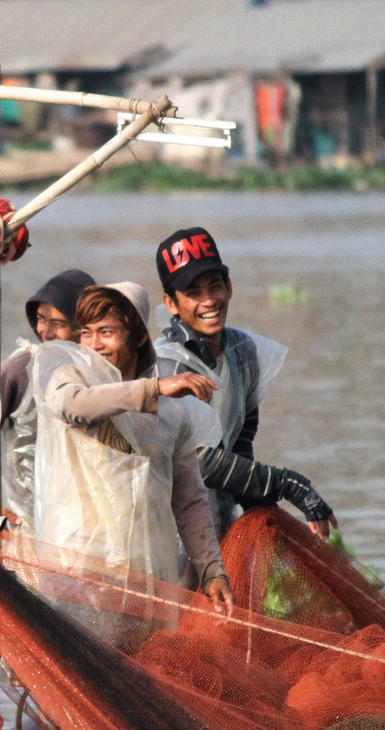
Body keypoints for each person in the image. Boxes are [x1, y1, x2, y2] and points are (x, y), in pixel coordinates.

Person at [33, 284, 233, 609]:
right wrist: (153, 389)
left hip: (147, 579)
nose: (94, 344)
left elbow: (189, 500)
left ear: (138, 336)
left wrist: (212, 570)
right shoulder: (69, 377)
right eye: (86, 333)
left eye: (107, 332)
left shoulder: (171, 413)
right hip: (78, 575)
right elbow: (72, 405)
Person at [153, 227, 336, 537]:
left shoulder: (244, 351)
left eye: (215, 286)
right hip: (171, 528)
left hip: (220, 521)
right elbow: (198, 459)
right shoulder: (165, 365)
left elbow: (240, 441)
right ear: (171, 303)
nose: (209, 301)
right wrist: (288, 485)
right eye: (193, 293)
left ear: (230, 286)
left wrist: (260, 506)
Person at [0, 268, 94, 530]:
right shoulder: (22, 370)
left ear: (83, 327)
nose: (45, 332)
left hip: (89, 520)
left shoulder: (103, 371)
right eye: (40, 319)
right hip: (28, 521)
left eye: (58, 324)